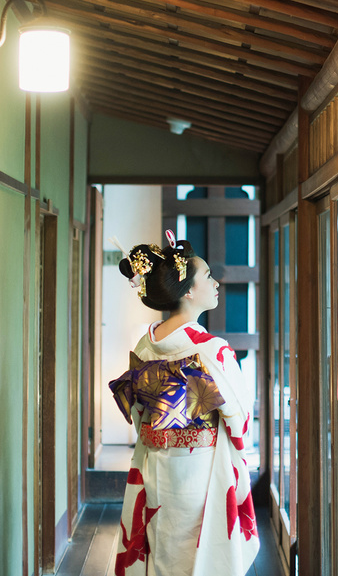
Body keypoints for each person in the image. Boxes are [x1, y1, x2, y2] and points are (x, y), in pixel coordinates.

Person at [108, 233, 259, 576]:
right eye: (208, 276)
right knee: (199, 557)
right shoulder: (212, 349)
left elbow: (140, 414)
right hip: (200, 471)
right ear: (188, 291)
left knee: (162, 547)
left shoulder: (145, 346)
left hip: (157, 466)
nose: (216, 283)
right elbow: (239, 418)